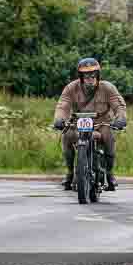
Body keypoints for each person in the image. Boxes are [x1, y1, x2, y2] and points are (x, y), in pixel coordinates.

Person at [53, 58, 127, 191]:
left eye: (93, 75)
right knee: (67, 135)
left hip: (102, 123)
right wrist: (59, 119)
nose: (90, 78)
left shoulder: (107, 88)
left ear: (98, 75)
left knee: (109, 137)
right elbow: (62, 105)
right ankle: (70, 172)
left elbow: (118, 105)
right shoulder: (71, 88)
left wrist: (120, 118)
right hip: (78, 124)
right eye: (86, 75)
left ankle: (109, 174)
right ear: (81, 77)